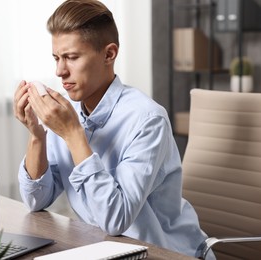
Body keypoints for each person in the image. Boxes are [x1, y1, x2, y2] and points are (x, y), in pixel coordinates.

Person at [13, 0, 213, 258]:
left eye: (71, 57)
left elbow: (116, 220)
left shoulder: (147, 120)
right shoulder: (69, 116)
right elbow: (35, 200)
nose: (60, 71)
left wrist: (74, 135)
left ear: (109, 54)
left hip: (165, 254)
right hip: (105, 249)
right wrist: (37, 135)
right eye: (57, 58)